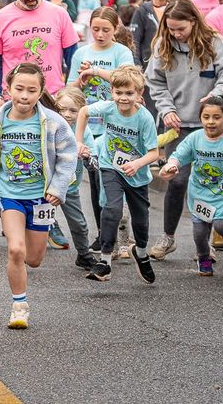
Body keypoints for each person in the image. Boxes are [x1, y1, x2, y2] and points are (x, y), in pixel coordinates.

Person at [0, 63, 77, 329]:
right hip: (10, 195)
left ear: (41, 92)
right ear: (8, 88)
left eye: (31, 90)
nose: (24, 96)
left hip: (42, 199)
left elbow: (68, 157)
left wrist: (58, 188)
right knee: (15, 249)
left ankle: (22, 264)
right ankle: (19, 306)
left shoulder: (53, 123)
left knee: (33, 259)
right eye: (19, 89)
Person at [145, 0, 223, 260]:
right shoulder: (163, 45)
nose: (176, 34)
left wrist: (217, 96)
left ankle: (204, 242)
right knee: (177, 180)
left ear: (194, 22)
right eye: (171, 29)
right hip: (179, 126)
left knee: (208, 182)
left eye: (181, 29)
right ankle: (168, 237)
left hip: (210, 127)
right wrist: (166, 109)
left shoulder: (214, 43)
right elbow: (155, 82)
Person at [76, 66, 161, 283]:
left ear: (139, 95)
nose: (123, 98)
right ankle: (104, 262)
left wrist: (137, 163)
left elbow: (154, 153)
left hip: (137, 174)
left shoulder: (144, 119)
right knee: (111, 209)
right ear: (112, 91)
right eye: (119, 93)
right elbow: (84, 111)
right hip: (110, 166)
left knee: (140, 220)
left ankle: (141, 254)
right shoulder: (108, 108)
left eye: (129, 93)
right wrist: (79, 141)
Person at [158, 96, 223, 276]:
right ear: (200, 119)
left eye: (216, 117)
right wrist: (172, 165)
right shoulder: (195, 138)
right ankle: (203, 257)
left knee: (221, 225)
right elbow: (180, 154)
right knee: (199, 231)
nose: (210, 122)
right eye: (206, 117)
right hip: (200, 193)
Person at [52, 87, 100, 271]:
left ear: (82, 111)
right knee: (34, 218)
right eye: (61, 109)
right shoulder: (49, 125)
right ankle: (26, 252)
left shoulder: (83, 131)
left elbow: (94, 163)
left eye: (73, 110)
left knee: (79, 224)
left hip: (69, 185)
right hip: (44, 183)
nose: (66, 114)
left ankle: (83, 255)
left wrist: (87, 155)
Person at [68, 7, 134, 105]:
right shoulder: (80, 53)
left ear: (116, 29)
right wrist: (82, 79)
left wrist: (96, 71)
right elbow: (69, 90)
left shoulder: (122, 52)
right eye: (95, 29)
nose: (100, 35)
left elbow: (127, 81)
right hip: (86, 113)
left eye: (106, 30)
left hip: (114, 112)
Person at [129, 0, 173, 68]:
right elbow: (134, 40)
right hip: (149, 67)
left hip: (171, 65)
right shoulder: (142, 11)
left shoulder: (174, 9)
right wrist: (137, 64)